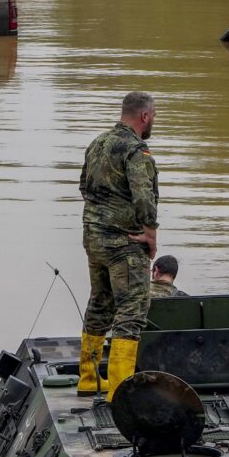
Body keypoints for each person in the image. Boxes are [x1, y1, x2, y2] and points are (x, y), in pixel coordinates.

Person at [78, 91, 158, 397]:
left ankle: (88, 379)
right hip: (124, 242)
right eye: (154, 117)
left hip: (93, 238)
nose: (153, 122)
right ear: (145, 116)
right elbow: (143, 196)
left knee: (100, 302)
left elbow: (84, 187)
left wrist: (102, 219)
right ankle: (120, 390)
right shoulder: (136, 149)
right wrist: (150, 234)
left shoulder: (98, 143)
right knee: (131, 310)